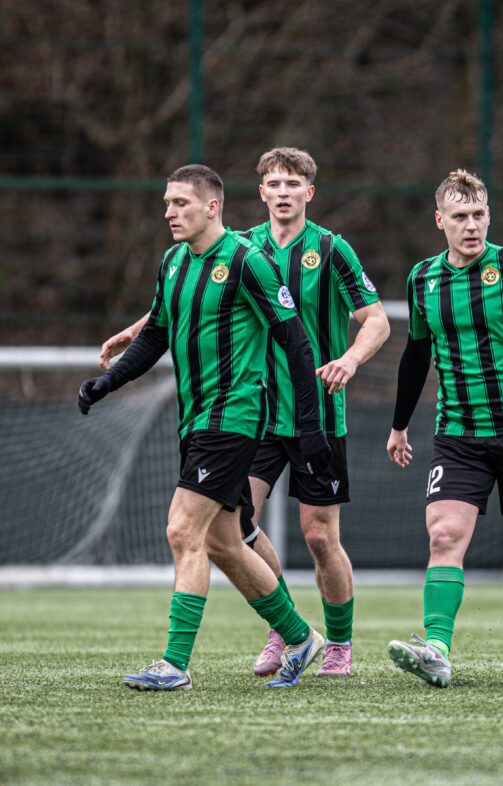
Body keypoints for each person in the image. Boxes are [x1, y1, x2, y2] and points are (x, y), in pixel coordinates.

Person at [99, 148, 390, 679]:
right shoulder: (238, 246)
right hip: (254, 413)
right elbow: (187, 294)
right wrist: (137, 330)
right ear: (260, 193)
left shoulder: (330, 249)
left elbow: (375, 319)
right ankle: (288, 633)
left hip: (309, 409)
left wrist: (348, 359)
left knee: (319, 536)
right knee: (229, 534)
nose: (282, 191)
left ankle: (336, 645)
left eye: (292, 183)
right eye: (273, 183)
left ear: (309, 193)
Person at [385, 169, 503, 688]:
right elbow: (417, 352)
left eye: (479, 216)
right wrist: (399, 425)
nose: (471, 226)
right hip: (458, 433)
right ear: (439, 221)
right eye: (460, 217)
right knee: (443, 535)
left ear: (488, 215)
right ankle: (437, 649)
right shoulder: (423, 278)